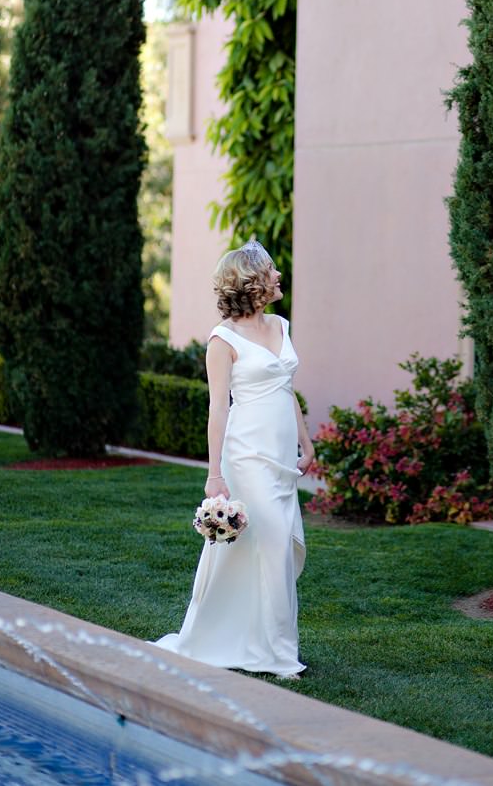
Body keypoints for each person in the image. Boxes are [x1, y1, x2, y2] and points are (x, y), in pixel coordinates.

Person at [152, 238, 314, 678]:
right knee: (276, 541)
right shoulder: (222, 340)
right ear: (252, 282)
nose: (279, 276)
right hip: (247, 453)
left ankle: (251, 638)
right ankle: (280, 655)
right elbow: (217, 409)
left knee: (263, 547)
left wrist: (306, 442)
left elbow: (287, 389)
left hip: (281, 456)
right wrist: (213, 474)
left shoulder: (281, 325)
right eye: (272, 271)